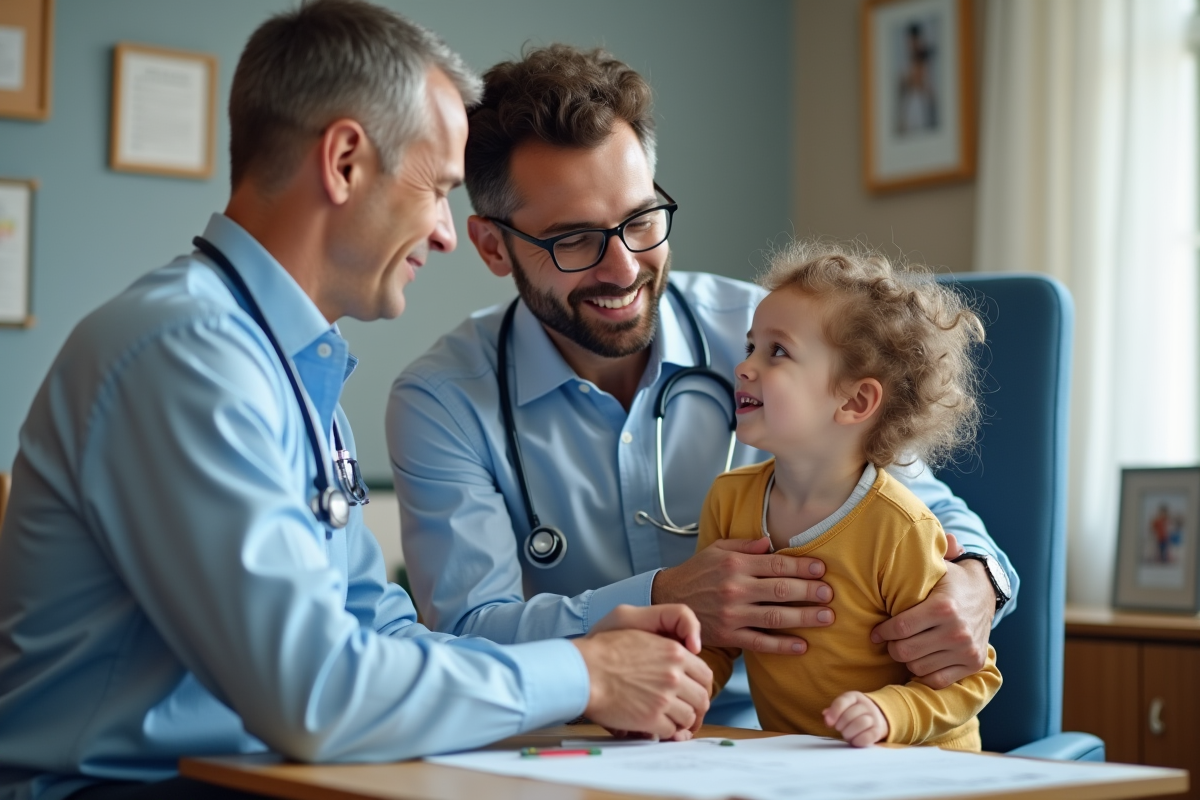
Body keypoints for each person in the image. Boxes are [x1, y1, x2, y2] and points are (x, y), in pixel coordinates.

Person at [0, 6, 712, 799]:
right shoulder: (186, 352)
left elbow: (381, 635)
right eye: (436, 189)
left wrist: (582, 652)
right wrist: (580, 673)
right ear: (343, 161)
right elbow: (313, 696)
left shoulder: (289, 364)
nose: (445, 234)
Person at [386, 44, 1018, 728]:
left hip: (815, 738)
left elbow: (920, 505)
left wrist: (977, 582)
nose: (623, 268)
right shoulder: (443, 403)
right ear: (491, 246)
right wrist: (665, 593)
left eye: (640, 220)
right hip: (581, 743)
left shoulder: (772, 332)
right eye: (573, 240)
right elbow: (467, 636)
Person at [697, 242, 1002, 750]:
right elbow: (717, 637)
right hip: (800, 768)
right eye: (751, 347)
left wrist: (889, 712)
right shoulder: (728, 503)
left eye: (777, 351)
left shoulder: (898, 529)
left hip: (920, 769)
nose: (744, 368)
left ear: (855, 400)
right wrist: (682, 690)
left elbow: (976, 678)